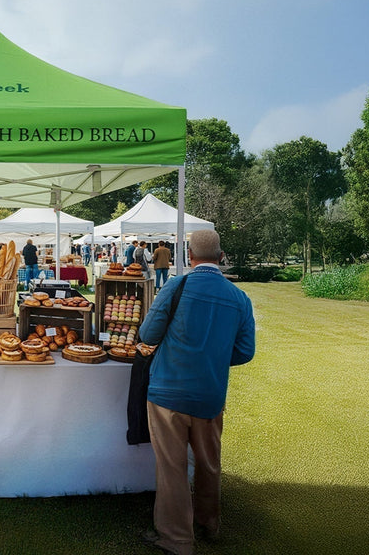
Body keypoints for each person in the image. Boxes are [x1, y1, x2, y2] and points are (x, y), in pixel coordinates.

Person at [137, 229, 255, 555]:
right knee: (209, 463)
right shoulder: (238, 297)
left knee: (172, 469)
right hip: (209, 395)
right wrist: (213, 358)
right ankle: (209, 523)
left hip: (167, 393)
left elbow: (148, 333)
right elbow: (245, 351)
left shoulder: (176, 285)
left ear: (188, 256)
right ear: (221, 257)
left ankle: (176, 539)